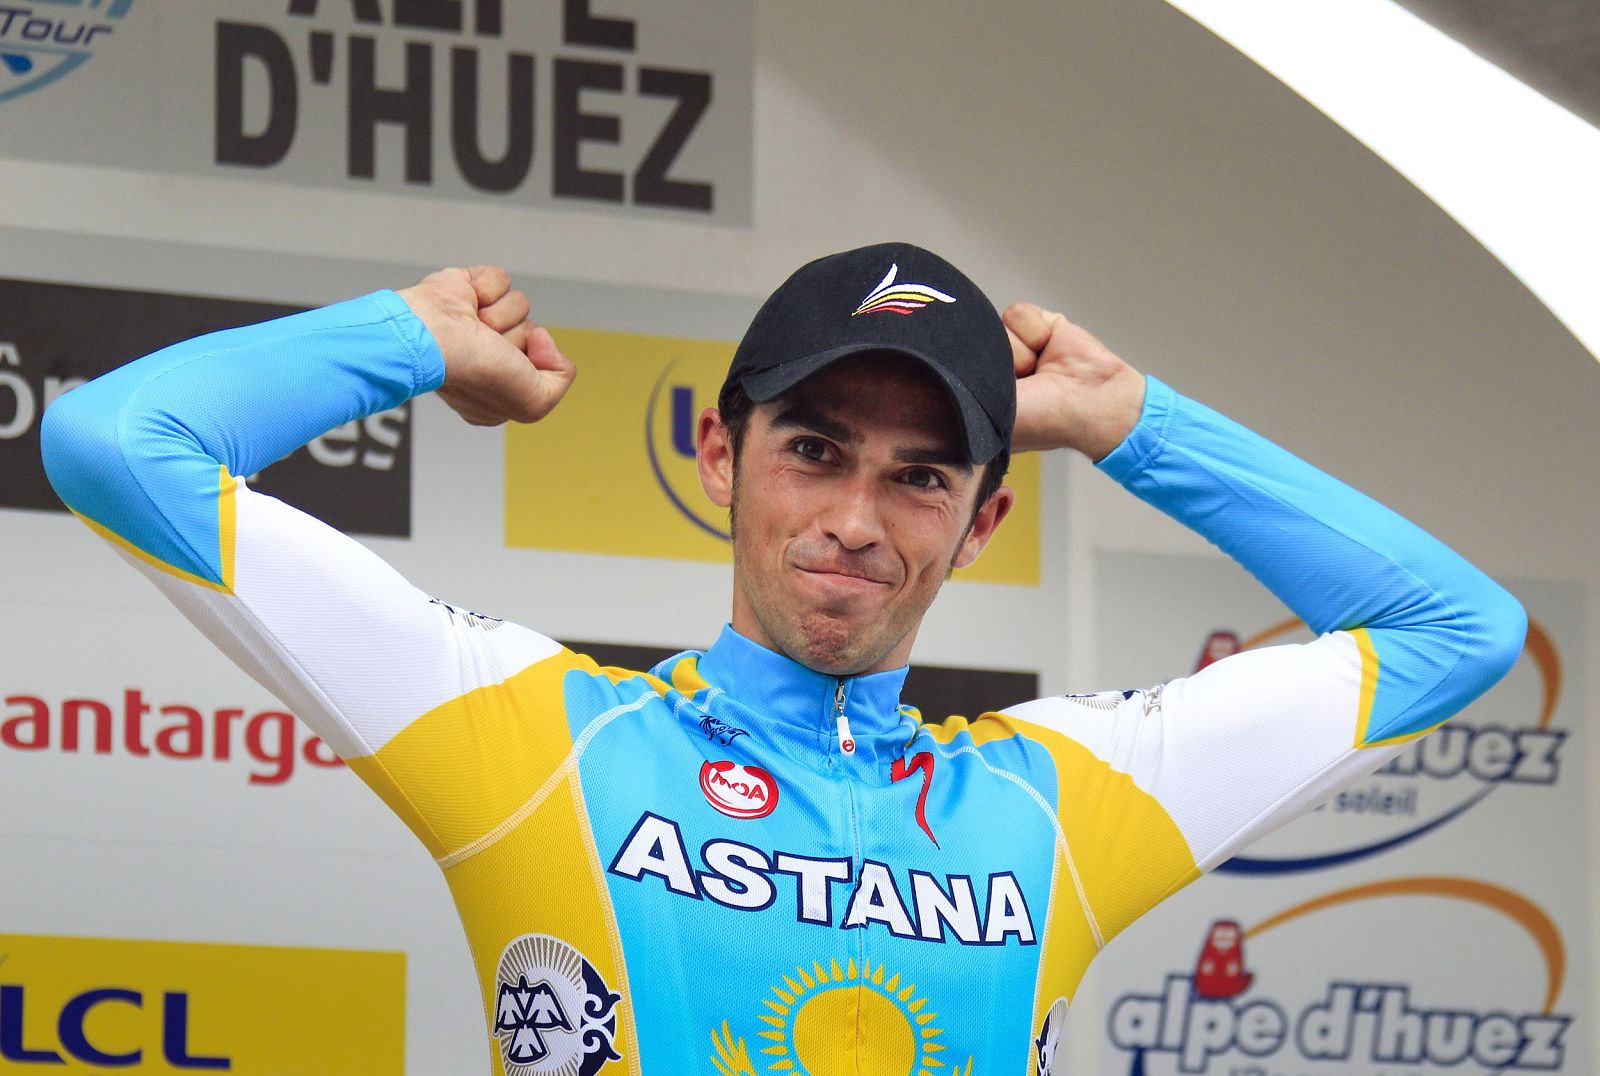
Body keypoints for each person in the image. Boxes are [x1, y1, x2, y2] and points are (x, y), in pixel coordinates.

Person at [41, 242, 1525, 1075]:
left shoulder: (1067, 803)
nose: (856, 521)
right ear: (720, 454)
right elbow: (114, 443)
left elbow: (1463, 629)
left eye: (921, 476)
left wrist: (1139, 425)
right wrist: (409, 335)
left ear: (984, 519)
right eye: (814, 451)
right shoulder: (529, 732)